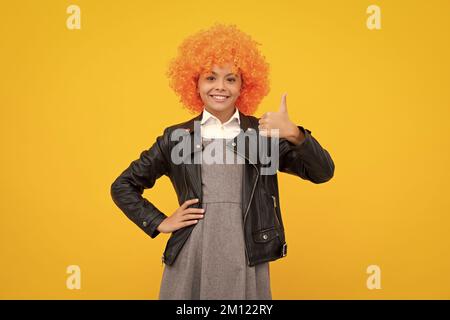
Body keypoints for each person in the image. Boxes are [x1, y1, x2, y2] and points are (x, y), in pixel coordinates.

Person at [110, 23, 335, 300]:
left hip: (245, 250)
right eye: (210, 78)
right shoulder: (177, 137)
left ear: (244, 85)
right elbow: (123, 185)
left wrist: (295, 134)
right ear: (195, 83)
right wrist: (158, 221)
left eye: (231, 79)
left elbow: (323, 172)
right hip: (192, 250)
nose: (220, 87)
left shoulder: (262, 135)